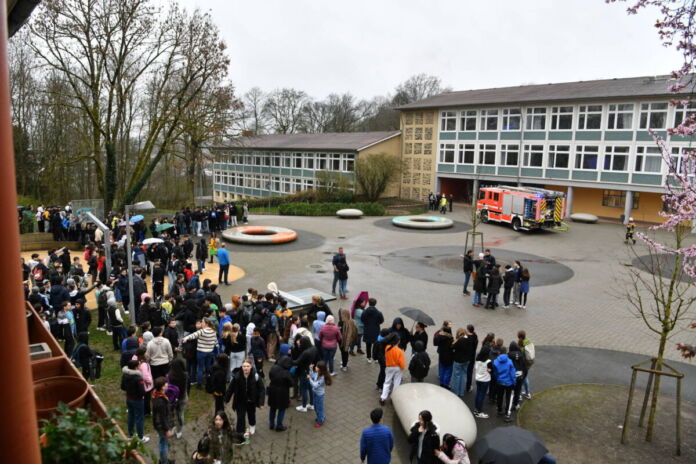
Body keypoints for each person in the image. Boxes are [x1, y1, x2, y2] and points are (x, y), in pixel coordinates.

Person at [224, 359, 265, 440]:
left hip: (251, 401)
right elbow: (230, 389)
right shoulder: (237, 376)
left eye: (247, 366)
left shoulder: (256, 376)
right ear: (242, 367)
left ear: (251, 367)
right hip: (240, 401)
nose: (246, 368)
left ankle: (252, 425)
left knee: (251, 415)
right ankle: (240, 433)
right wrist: (226, 400)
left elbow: (262, 389)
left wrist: (261, 403)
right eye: (244, 366)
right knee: (240, 417)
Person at [182, 318, 218, 388]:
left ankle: (199, 384)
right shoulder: (213, 331)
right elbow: (215, 342)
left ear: (206, 324)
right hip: (210, 352)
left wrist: (185, 338)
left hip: (201, 352)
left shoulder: (202, 331)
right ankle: (208, 382)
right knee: (208, 367)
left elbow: (193, 335)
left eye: (203, 322)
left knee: (200, 368)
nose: (201, 323)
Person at [121, 359, 150, 443]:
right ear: (135, 367)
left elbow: (123, 387)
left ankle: (130, 434)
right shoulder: (138, 378)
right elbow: (142, 392)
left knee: (131, 416)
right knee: (139, 418)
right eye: (138, 365)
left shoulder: (125, 375)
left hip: (129, 398)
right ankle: (140, 437)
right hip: (138, 400)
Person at [267, 345, 293, 431]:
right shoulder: (286, 373)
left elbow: (270, 376)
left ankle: (271, 424)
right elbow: (291, 383)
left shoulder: (274, 367)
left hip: (273, 390)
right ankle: (279, 425)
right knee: (281, 409)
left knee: (272, 408)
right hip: (283, 393)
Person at [152, 376, 173, 464]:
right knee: (163, 444)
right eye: (165, 384)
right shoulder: (161, 402)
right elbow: (163, 417)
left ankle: (164, 460)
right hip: (162, 426)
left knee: (162, 442)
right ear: (162, 387)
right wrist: (167, 429)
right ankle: (164, 461)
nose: (167, 385)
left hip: (158, 424)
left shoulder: (156, 394)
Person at [294, 336, 318, 412]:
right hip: (311, 371)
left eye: (300, 343)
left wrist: (287, 360)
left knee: (304, 389)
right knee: (310, 388)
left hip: (304, 372)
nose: (299, 343)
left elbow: (297, 361)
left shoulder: (305, 353)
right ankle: (311, 404)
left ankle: (304, 406)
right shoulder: (314, 348)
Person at [380, 334, 405, 405]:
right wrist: (403, 367)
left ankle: (383, 398)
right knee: (396, 382)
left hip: (389, 367)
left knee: (387, 382)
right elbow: (401, 362)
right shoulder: (400, 351)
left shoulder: (387, 348)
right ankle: (393, 398)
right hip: (398, 368)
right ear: (397, 341)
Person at [493, 346, 516, 422]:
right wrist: (514, 382)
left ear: (499, 352)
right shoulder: (510, 362)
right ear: (506, 352)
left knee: (500, 396)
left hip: (500, 382)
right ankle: (507, 414)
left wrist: (498, 379)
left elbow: (495, 373)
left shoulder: (495, 362)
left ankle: (499, 410)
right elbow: (512, 374)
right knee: (508, 398)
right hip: (508, 383)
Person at [167, 357, 188, 439]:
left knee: (170, 413)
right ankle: (179, 431)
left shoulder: (170, 376)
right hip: (182, 398)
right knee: (180, 414)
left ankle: (171, 428)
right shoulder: (185, 375)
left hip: (171, 399)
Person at [450, 328, 475, 397]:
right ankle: (461, 392)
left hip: (458, 361)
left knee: (457, 376)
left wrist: (455, 341)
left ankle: (456, 392)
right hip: (466, 360)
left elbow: (452, 347)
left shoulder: (460, 340)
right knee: (463, 376)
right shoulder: (470, 339)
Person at [308, 360, 332, 427]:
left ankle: (320, 420)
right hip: (315, 393)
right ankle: (321, 417)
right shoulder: (318, 373)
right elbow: (313, 376)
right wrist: (310, 369)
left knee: (319, 408)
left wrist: (309, 379)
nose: (315, 367)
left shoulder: (322, 377)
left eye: (317, 367)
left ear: (321, 369)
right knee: (316, 407)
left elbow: (315, 385)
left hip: (319, 395)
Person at [361, 298, 384, 363]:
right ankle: (375, 357)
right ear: (375, 304)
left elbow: (362, 319)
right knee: (375, 344)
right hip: (375, 330)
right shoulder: (379, 313)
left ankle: (369, 357)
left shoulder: (365, 312)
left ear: (369, 303)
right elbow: (382, 321)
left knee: (368, 344)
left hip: (367, 329)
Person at [473, 344, 492, 419]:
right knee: (481, 395)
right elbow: (490, 370)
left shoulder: (477, 358)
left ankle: (476, 409)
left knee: (478, 394)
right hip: (485, 380)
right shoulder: (488, 361)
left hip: (478, 379)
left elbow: (475, 367)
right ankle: (479, 411)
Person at [434, 321, 454, 388]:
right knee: (448, 371)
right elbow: (452, 347)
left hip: (442, 355)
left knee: (442, 369)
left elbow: (435, 341)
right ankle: (446, 384)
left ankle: (442, 382)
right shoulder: (450, 338)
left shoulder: (439, 336)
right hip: (449, 357)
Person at [518, 330, 534, 400]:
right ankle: (527, 393)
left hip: (523, 364)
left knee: (521, 379)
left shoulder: (520, 344)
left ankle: (519, 394)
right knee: (525, 378)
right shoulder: (529, 341)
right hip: (529, 362)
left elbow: (519, 355)